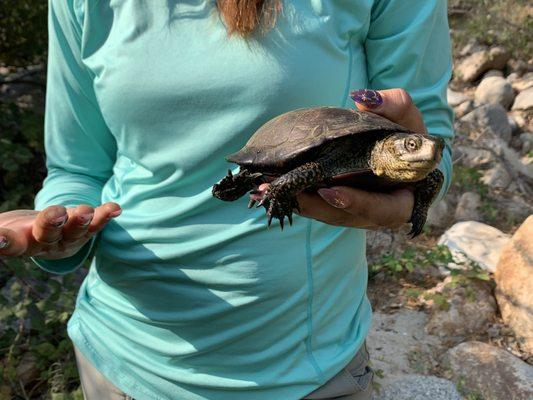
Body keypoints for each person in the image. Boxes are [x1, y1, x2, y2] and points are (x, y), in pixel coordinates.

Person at [0, 0, 453, 399]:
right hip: (123, 356)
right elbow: (77, 168)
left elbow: (428, 138)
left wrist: (418, 190)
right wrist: (60, 228)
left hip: (304, 369)